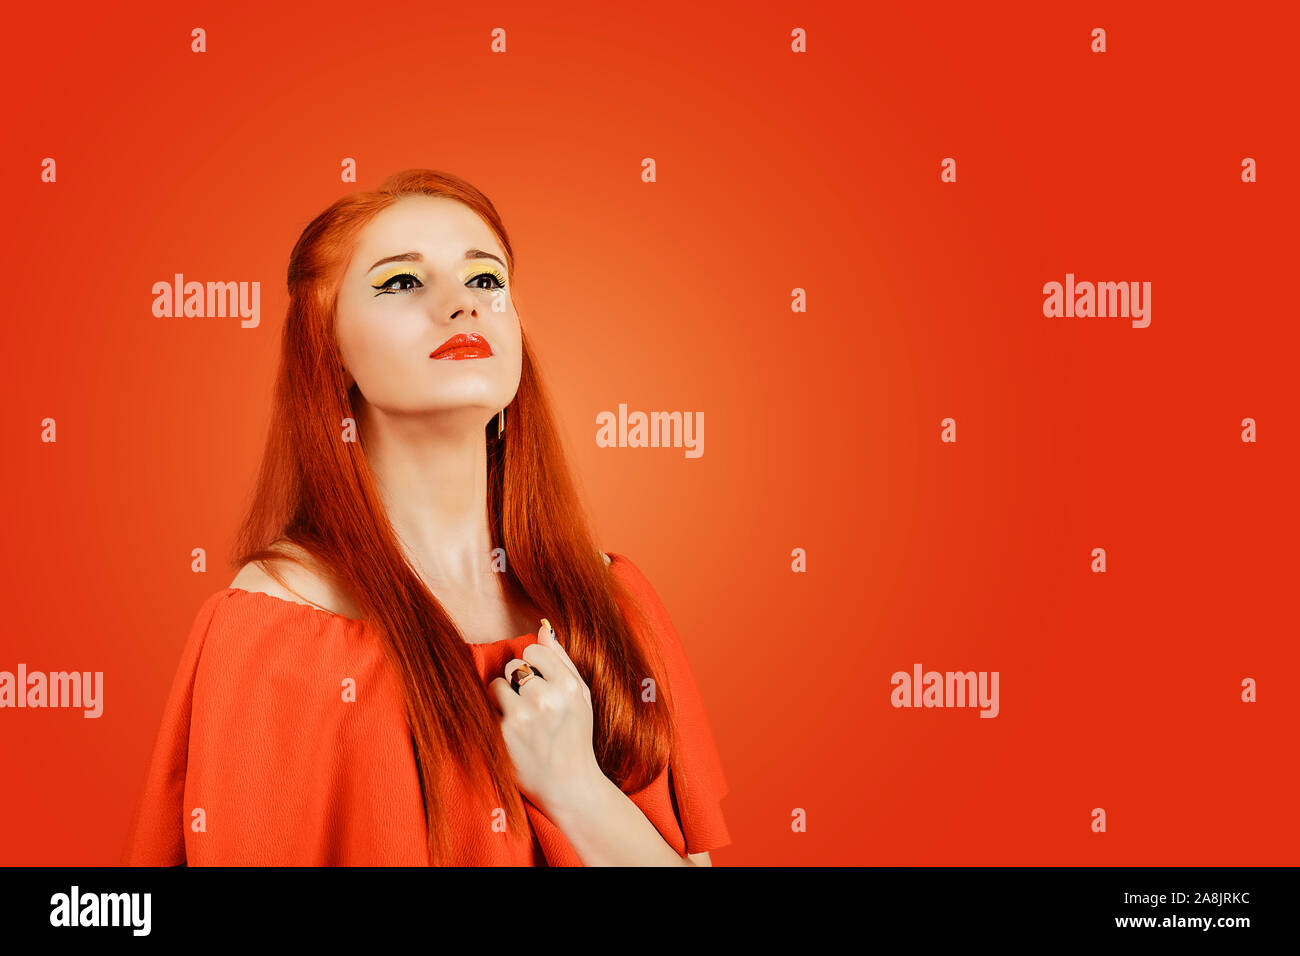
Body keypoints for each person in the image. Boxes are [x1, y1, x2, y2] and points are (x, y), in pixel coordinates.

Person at [121, 169, 730, 866]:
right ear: (329, 348)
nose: (462, 306)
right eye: (403, 283)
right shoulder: (274, 626)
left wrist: (576, 792)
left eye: (485, 280)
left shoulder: (615, 600)